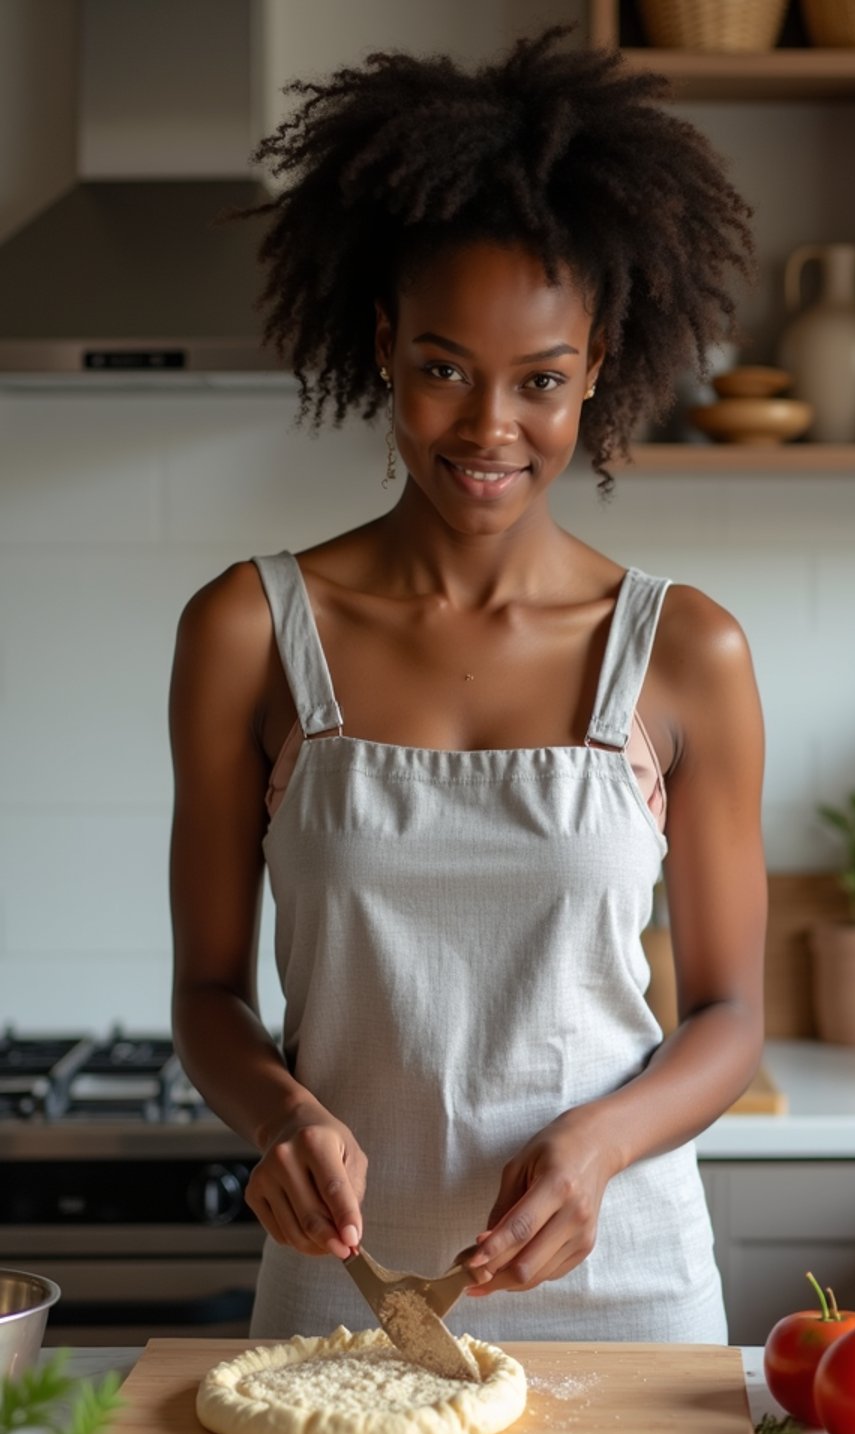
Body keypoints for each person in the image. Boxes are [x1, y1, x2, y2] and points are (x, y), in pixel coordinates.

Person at [169, 26, 766, 1346]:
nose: (491, 429)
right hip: (347, 1287)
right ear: (382, 343)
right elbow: (208, 993)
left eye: (541, 381)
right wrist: (282, 1115)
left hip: (629, 1286)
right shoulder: (248, 631)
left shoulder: (688, 653)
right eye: (445, 368)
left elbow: (729, 1016)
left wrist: (603, 1143)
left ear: (600, 367)